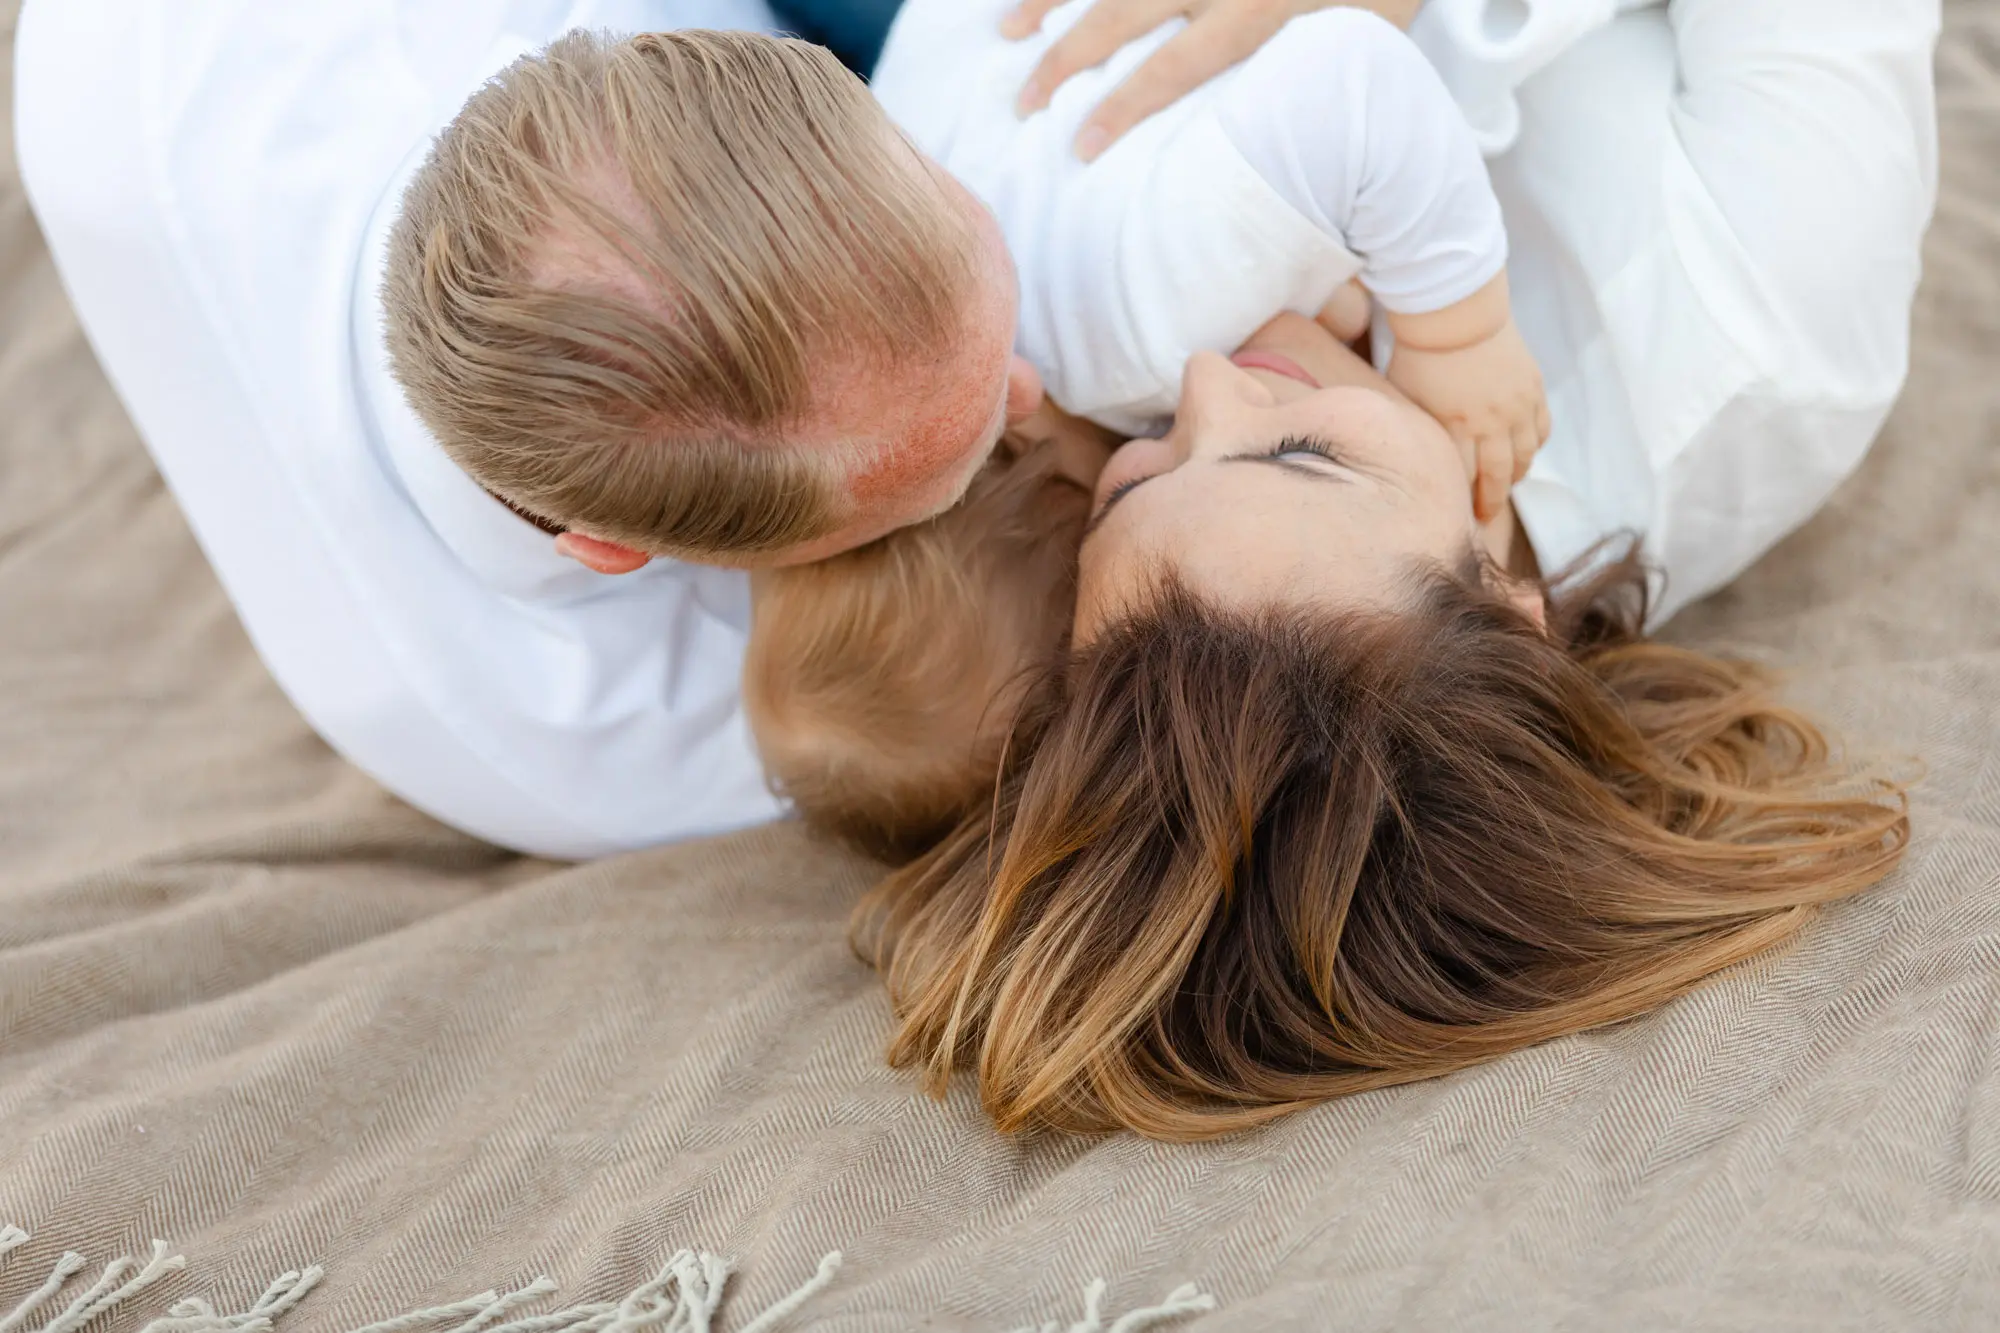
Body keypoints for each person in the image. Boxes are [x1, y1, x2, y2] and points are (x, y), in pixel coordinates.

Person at [757, 310, 1911, 1139]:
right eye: (1307, 453)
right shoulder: (1774, 354)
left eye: (1126, 485)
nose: (1202, 374)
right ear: (1517, 613)